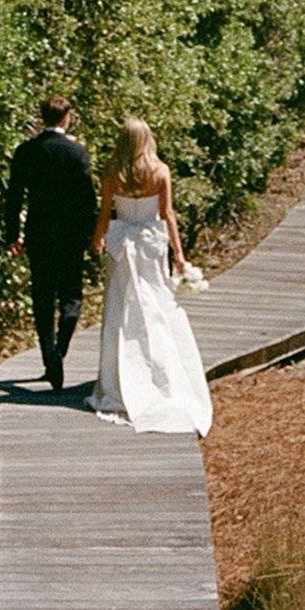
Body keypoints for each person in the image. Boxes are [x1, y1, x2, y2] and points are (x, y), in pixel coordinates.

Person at [90, 115, 213, 434]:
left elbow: (105, 212)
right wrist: (180, 255)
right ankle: (160, 373)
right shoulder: (160, 172)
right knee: (155, 309)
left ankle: (119, 378)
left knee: (121, 309)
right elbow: (167, 214)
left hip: (121, 247)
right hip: (150, 246)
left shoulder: (111, 172)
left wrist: (97, 239)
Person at [1, 95, 98, 394]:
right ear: (66, 118)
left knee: (42, 296)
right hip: (70, 235)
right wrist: (94, 235)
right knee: (71, 297)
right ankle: (60, 351)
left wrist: (12, 234)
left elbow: (14, 197)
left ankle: (48, 358)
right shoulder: (77, 153)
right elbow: (88, 200)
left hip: (39, 233)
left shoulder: (26, 151)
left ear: (43, 117)